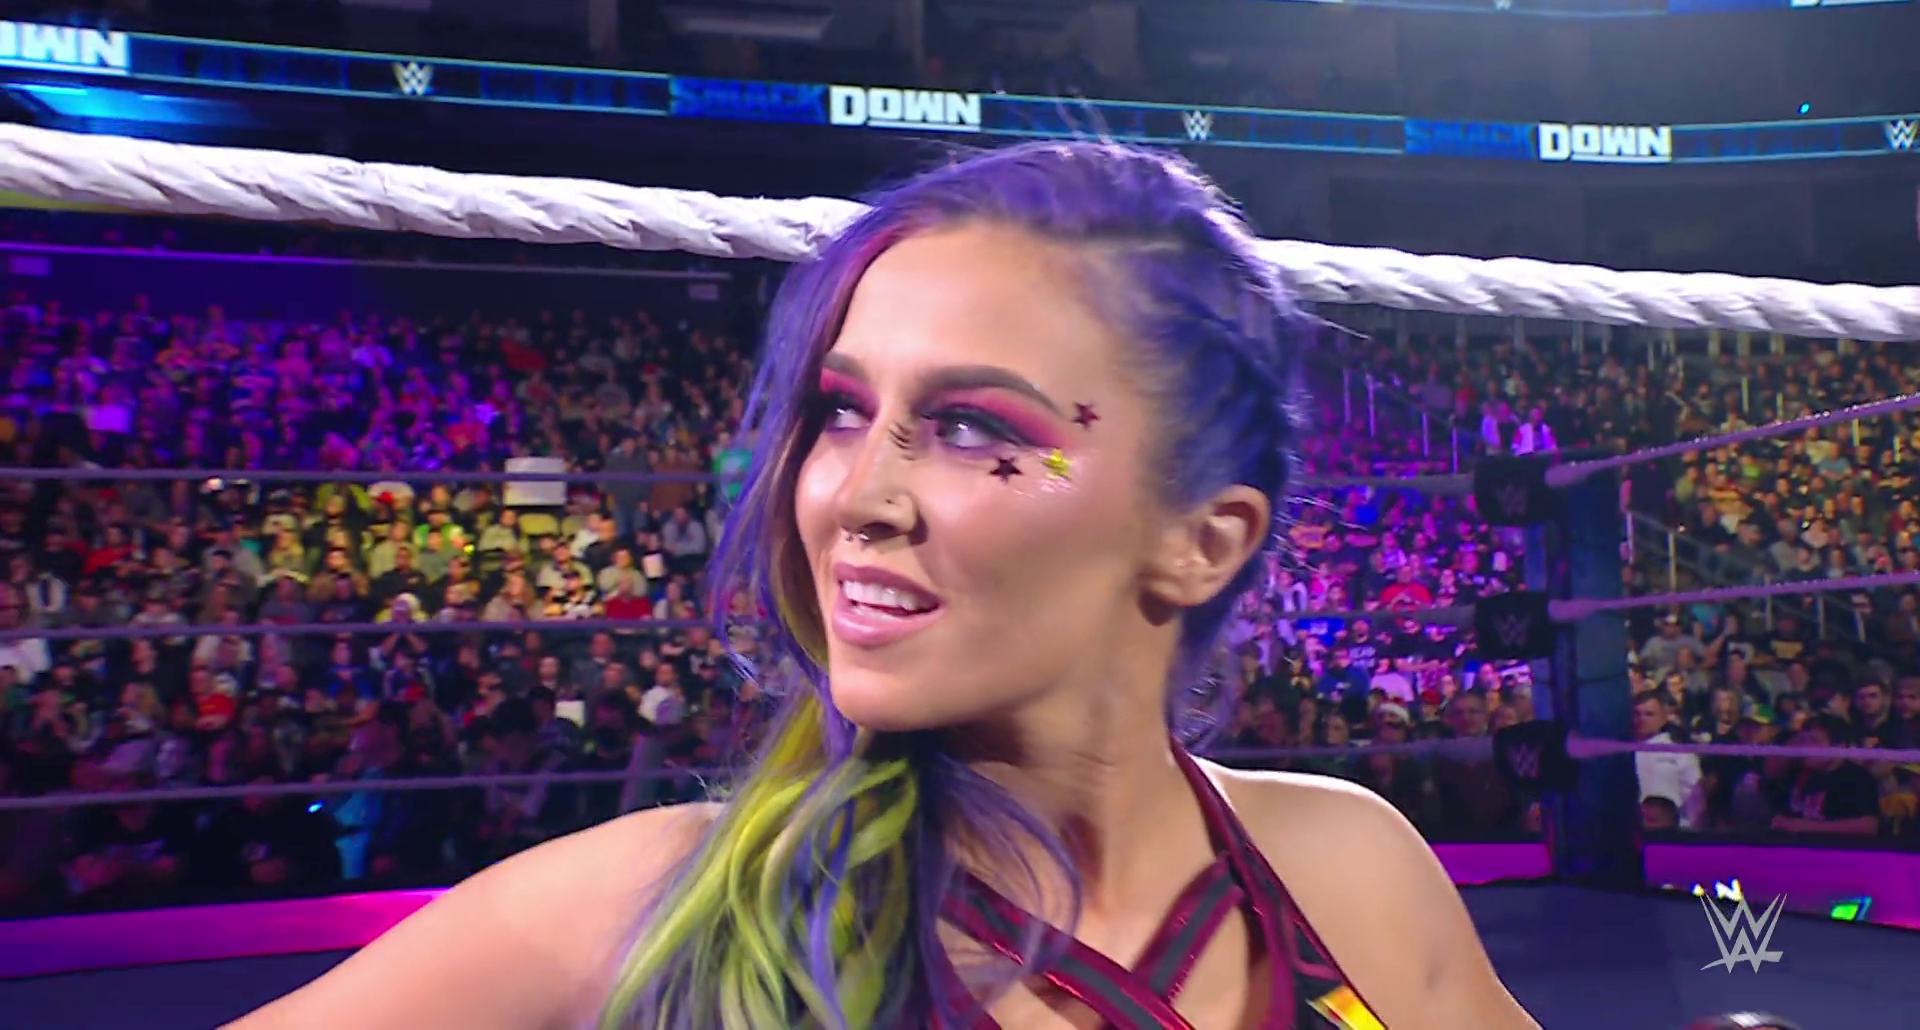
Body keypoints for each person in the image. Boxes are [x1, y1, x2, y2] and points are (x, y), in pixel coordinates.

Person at [230, 144, 1537, 1028]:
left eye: (973, 426)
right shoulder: (633, 915)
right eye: (842, 410)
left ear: (1203, 540)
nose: (854, 494)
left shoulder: (1347, 868)